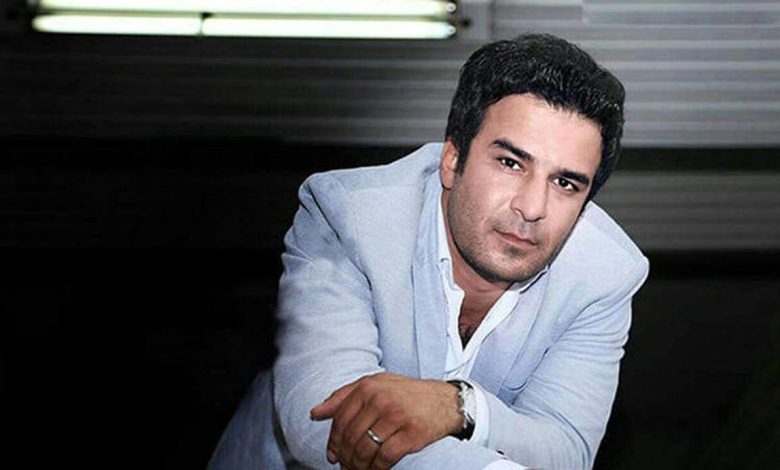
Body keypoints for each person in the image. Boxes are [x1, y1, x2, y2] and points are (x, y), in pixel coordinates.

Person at [209, 33, 649, 470]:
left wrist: (461, 406)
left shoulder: (604, 273)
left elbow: (566, 450)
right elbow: (326, 423)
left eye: (565, 183)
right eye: (510, 163)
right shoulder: (348, 216)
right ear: (452, 159)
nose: (532, 208)